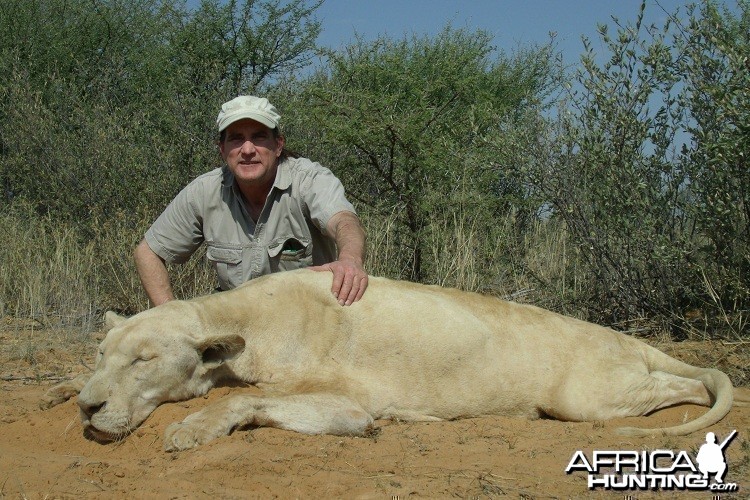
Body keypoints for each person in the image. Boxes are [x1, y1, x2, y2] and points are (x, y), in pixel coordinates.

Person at [134, 95, 368, 307]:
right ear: (222, 150)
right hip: (239, 327)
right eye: (236, 139)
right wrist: (170, 314)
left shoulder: (309, 180)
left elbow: (344, 221)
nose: (247, 149)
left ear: (278, 145)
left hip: (307, 321)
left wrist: (350, 260)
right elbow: (148, 252)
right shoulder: (204, 191)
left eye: (258, 137)